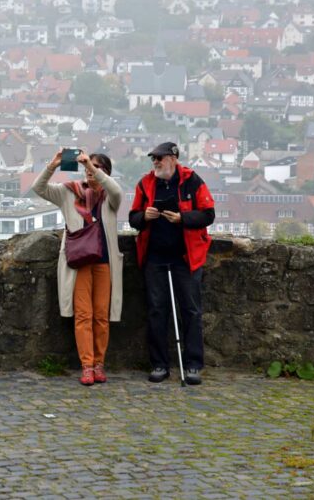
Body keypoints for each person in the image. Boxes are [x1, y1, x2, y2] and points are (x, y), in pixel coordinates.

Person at [33, 148, 123, 386]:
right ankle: (87, 366)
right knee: (84, 316)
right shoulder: (69, 192)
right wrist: (53, 164)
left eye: (99, 168)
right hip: (79, 263)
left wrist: (93, 169)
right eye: (89, 167)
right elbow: (39, 188)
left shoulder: (109, 197)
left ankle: (99, 364)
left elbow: (117, 191)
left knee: (101, 316)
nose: (92, 171)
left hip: (104, 261)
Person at [128, 142, 215, 385]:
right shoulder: (145, 184)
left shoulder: (192, 181)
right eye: (153, 158)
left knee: (191, 310)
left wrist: (182, 218)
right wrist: (144, 216)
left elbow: (208, 214)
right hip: (155, 257)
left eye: (160, 158)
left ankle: (194, 366)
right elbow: (133, 218)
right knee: (157, 310)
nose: (155, 162)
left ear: (174, 159)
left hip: (185, 258)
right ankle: (159, 364)